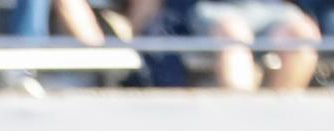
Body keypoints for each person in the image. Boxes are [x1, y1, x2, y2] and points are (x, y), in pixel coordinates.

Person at [130, 0, 319, 89]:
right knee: (234, 37)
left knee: (303, 36)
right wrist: (137, 26)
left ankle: (276, 118)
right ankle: (239, 120)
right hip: (208, 9)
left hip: (268, 7)